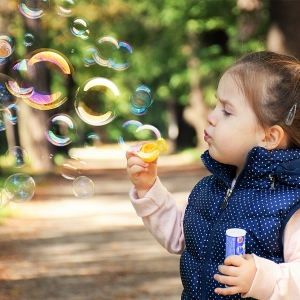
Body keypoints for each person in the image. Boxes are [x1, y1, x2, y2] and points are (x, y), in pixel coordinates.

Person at [126, 51, 300, 299]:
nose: (211, 116)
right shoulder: (211, 188)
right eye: (216, 104)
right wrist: (148, 187)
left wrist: (261, 278)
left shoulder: (290, 203)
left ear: (269, 137)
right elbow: (180, 237)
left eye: (227, 111)